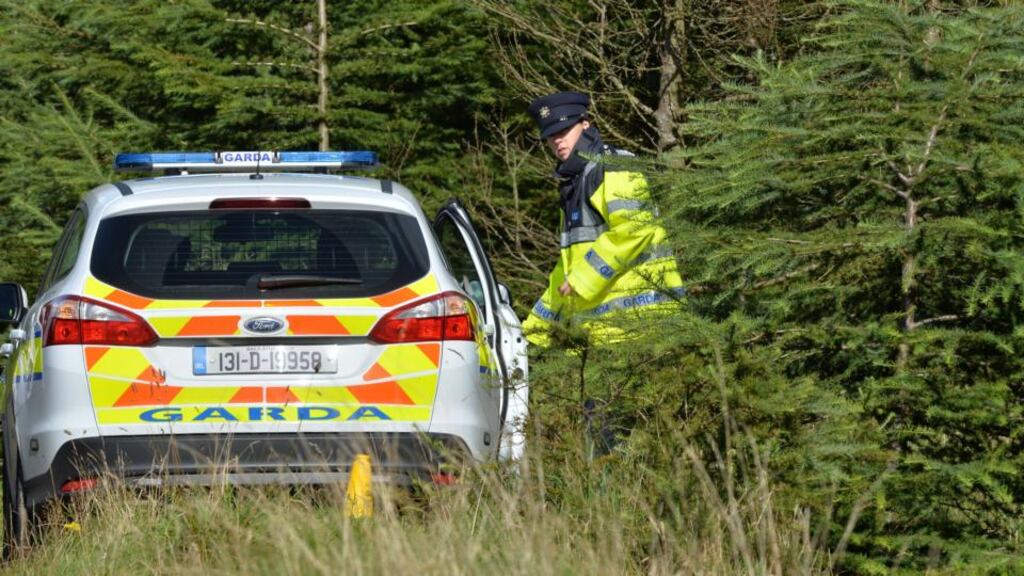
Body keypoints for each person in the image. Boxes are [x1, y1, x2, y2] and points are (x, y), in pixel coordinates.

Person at [522, 91, 684, 346]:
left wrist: (581, 280)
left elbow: (634, 229)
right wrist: (530, 332)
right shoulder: (574, 183)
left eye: (564, 130)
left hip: (645, 325)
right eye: (551, 135)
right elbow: (566, 273)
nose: (557, 141)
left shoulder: (614, 164)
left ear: (585, 123)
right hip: (604, 333)